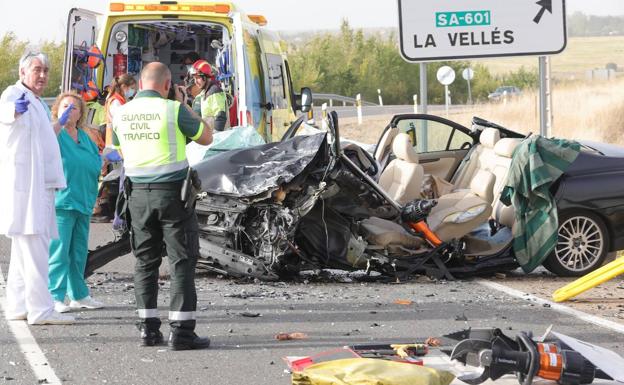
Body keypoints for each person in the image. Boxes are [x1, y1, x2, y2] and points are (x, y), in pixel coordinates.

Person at [112, 62, 213, 349]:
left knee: (145, 261)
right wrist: (183, 104)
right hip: (172, 196)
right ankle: (181, 332)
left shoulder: (121, 113)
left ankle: (148, 330)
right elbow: (207, 137)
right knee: (181, 260)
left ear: (141, 84)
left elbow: (118, 146)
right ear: (167, 85)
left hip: (137, 197)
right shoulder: (174, 109)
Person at [0, 52, 74, 325]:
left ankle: (18, 306)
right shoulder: (14, 93)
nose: (42, 75)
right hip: (30, 188)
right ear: (22, 72)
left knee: (23, 251)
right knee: (36, 249)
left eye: (45, 70)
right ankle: (41, 310)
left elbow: (40, 136)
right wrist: (14, 110)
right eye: (36, 70)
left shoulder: (37, 101)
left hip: (37, 185)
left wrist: (59, 124)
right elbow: (6, 112)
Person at [48, 92, 106, 313]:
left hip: (84, 199)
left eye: (74, 107)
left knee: (79, 251)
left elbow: (94, 161)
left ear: (81, 113)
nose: (69, 110)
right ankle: (54, 296)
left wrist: (105, 158)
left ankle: (79, 295)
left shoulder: (84, 136)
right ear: (57, 110)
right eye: (65, 106)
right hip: (62, 201)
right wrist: (58, 124)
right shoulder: (55, 134)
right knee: (59, 251)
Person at [190, 59, 228, 131]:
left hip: (216, 137)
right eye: (194, 78)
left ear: (206, 77)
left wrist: (216, 137)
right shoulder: (205, 93)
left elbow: (220, 117)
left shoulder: (214, 91)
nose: (196, 82)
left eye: (198, 78)